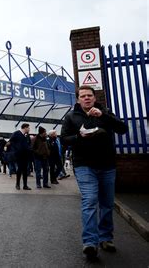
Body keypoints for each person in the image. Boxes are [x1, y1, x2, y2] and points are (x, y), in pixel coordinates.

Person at [61, 85, 128, 260]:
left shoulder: (105, 113)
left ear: (94, 98)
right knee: (90, 201)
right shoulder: (71, 117)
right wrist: (79, 137)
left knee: (106, 203)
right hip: (84, 165)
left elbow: (123, 129)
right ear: (78, 99)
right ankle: (90, 243)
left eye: (89, 95)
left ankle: (106, 238)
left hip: (107, 165)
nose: (86, 98)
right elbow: (64, 140)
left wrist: (103, 116)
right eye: (82, 96)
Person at [9, 123, 32, 190]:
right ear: (25, 128)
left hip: (26, 155)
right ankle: (17, 184)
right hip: (19, 155)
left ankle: (25, 185)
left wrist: (29, 149)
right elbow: (11, 142)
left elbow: (29, 143)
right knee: (19, 169)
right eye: (28, 128)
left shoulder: (27, 135)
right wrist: (16, 150)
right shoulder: (16, 133)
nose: (29, 129)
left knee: (25, 170)